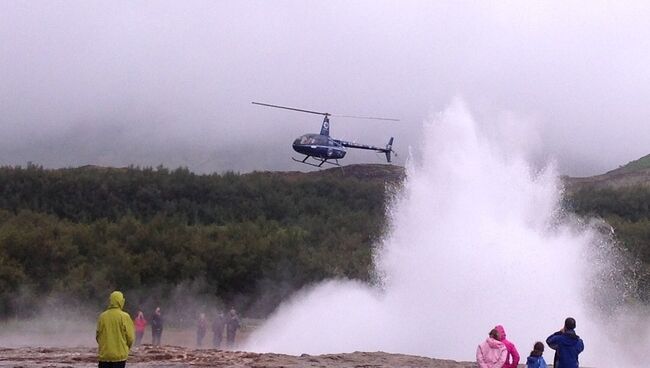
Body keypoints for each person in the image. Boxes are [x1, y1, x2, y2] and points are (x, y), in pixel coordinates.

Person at [96, 291, 135, 368]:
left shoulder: (102, 316)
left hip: (104, 356)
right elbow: (130, 338)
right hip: (119, 357)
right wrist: (126, 348)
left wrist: (104, 346)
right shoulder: (125, 317)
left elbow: (98, 336)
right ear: (121, 301)